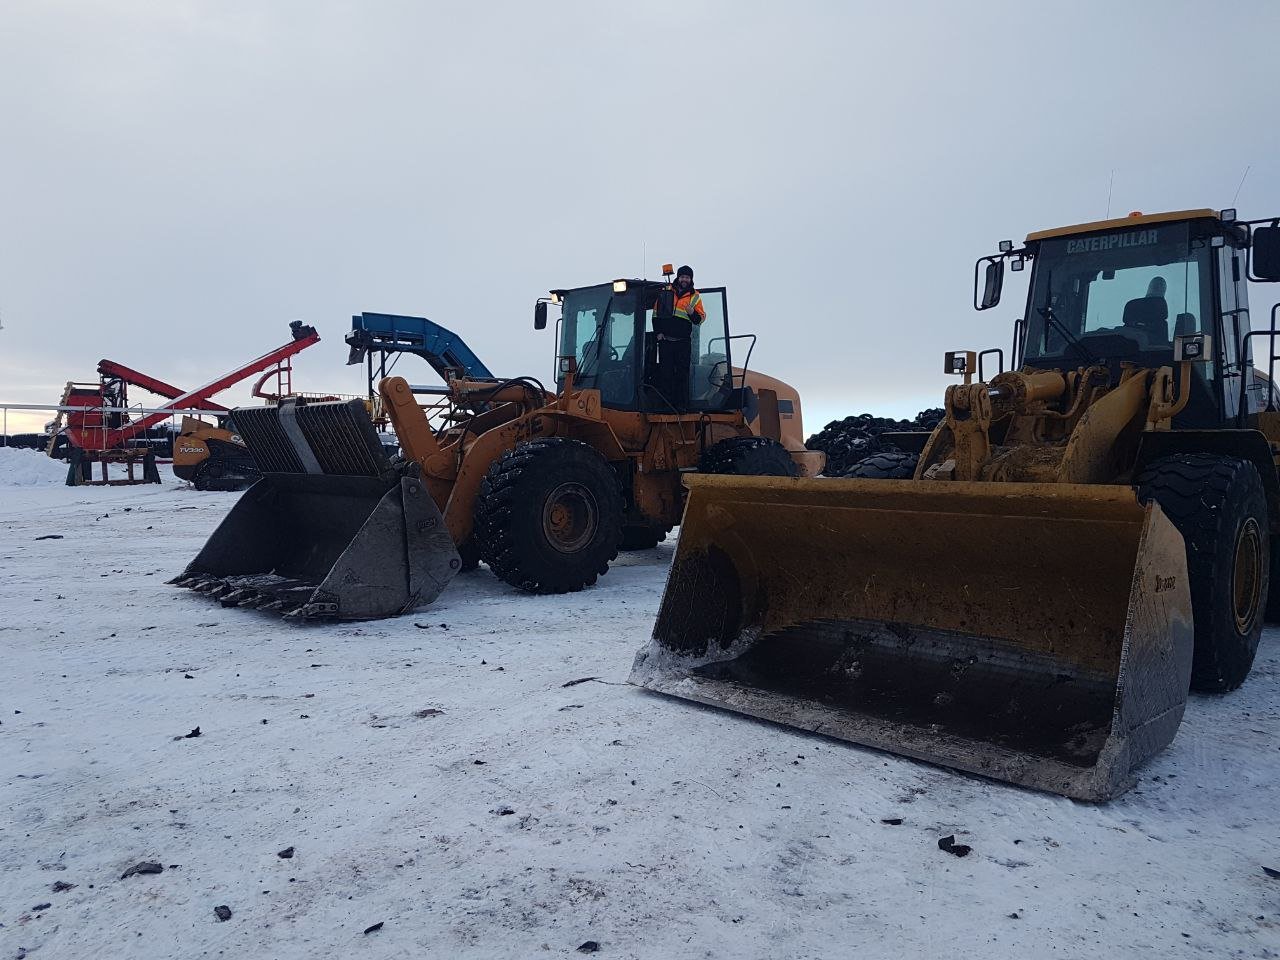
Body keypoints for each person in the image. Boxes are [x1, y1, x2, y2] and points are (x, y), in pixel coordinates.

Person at [650, 265, 705, 407]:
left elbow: (700, 319)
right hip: (666, 341)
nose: (684, 279)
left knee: (682, 375)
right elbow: (656, 314)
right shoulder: (666, 292)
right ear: (678, 278)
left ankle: (681, 406)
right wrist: (658, 333)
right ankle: (666, 405)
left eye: (687, 277)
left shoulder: (695, 297)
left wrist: (692, 312)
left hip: (683, 343)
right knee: (665, 373)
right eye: (682, 277)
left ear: (691, 279)